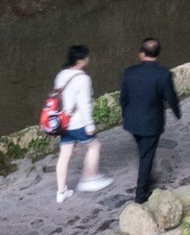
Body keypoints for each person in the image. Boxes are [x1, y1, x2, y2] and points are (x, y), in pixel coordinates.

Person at [119, 37, 181, 204]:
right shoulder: (163, 74)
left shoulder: (129, 72)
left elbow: (123, 98)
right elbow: (171, 97)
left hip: (132, 122)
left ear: (141, 54)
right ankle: (141, 194)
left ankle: (147, 177)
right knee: (146, 156)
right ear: (158, 54)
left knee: (144, 152)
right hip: (151, 123)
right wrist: (177, 113)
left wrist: (126, 114)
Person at [53, 45, 112, 203]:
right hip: (78, 123)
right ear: (81, 60)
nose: (88, 59)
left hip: (64, 123)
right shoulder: (83, 79)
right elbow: (85, 104)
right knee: (94, 146)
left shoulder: (61, 75)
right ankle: (89, 178)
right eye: (86, 57)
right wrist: (90, 126)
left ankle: (61, 192)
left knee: (64, 155)